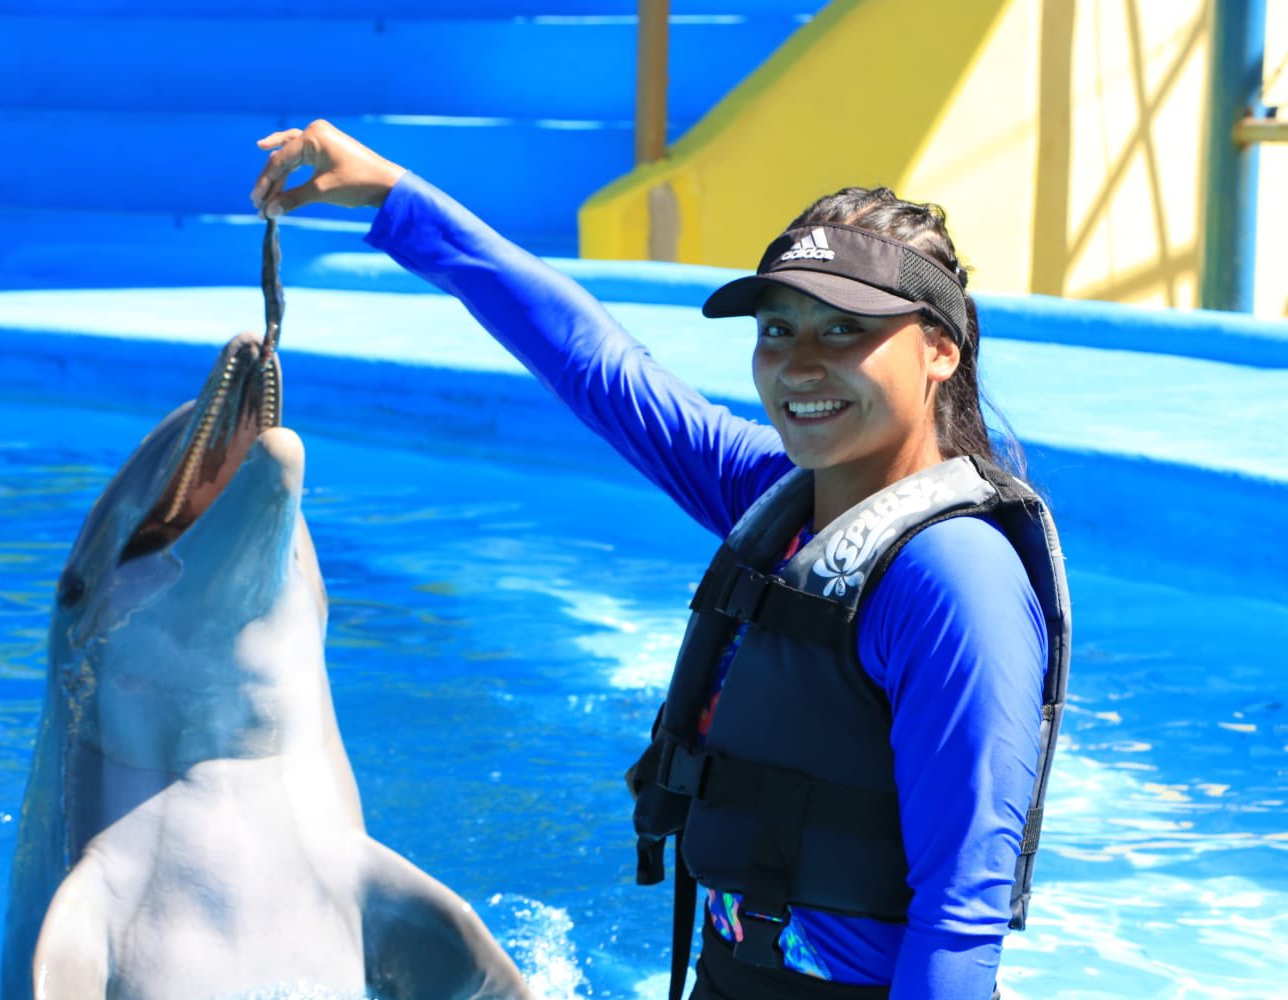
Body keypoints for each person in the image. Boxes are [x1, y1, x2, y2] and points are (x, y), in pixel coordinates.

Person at [250, 120, 1069, 1000]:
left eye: (843, 331)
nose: (798, 365)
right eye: (778, 329)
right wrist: (397, 197)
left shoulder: (954, 578)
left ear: (940, 348)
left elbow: (961, 915)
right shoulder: (780, 498)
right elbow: (598, 366)